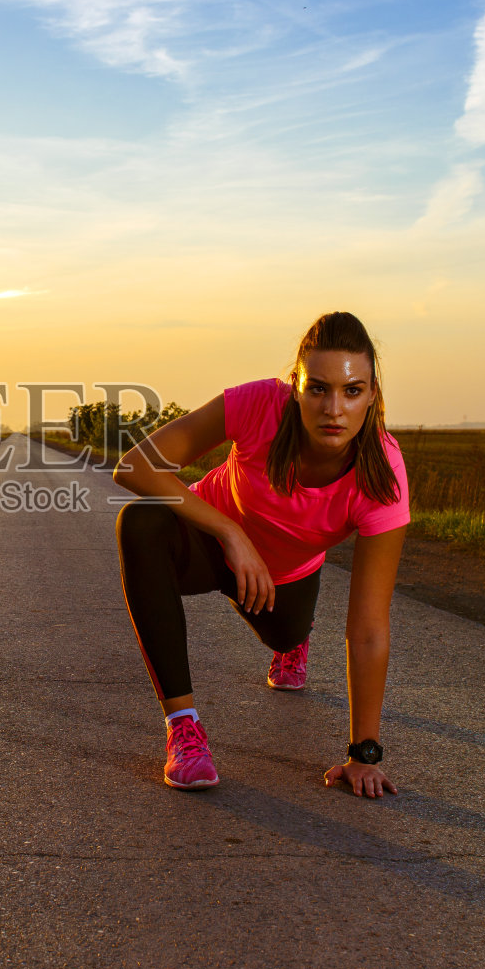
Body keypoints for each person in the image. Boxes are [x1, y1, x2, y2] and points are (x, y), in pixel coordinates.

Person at [113, 312, 408, 797]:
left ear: (372, 394)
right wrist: (230, 531)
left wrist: (364, 752)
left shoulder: (383, 478)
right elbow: (135, 465)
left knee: (282, 634)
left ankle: (297, 640)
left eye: (351, 391)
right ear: (295, 386)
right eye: (318, 388)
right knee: (140, 522)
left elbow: (370, 629)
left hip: (285, 574)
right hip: (208, 541)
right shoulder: (258, 403)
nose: (333, 408)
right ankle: (184, 730)